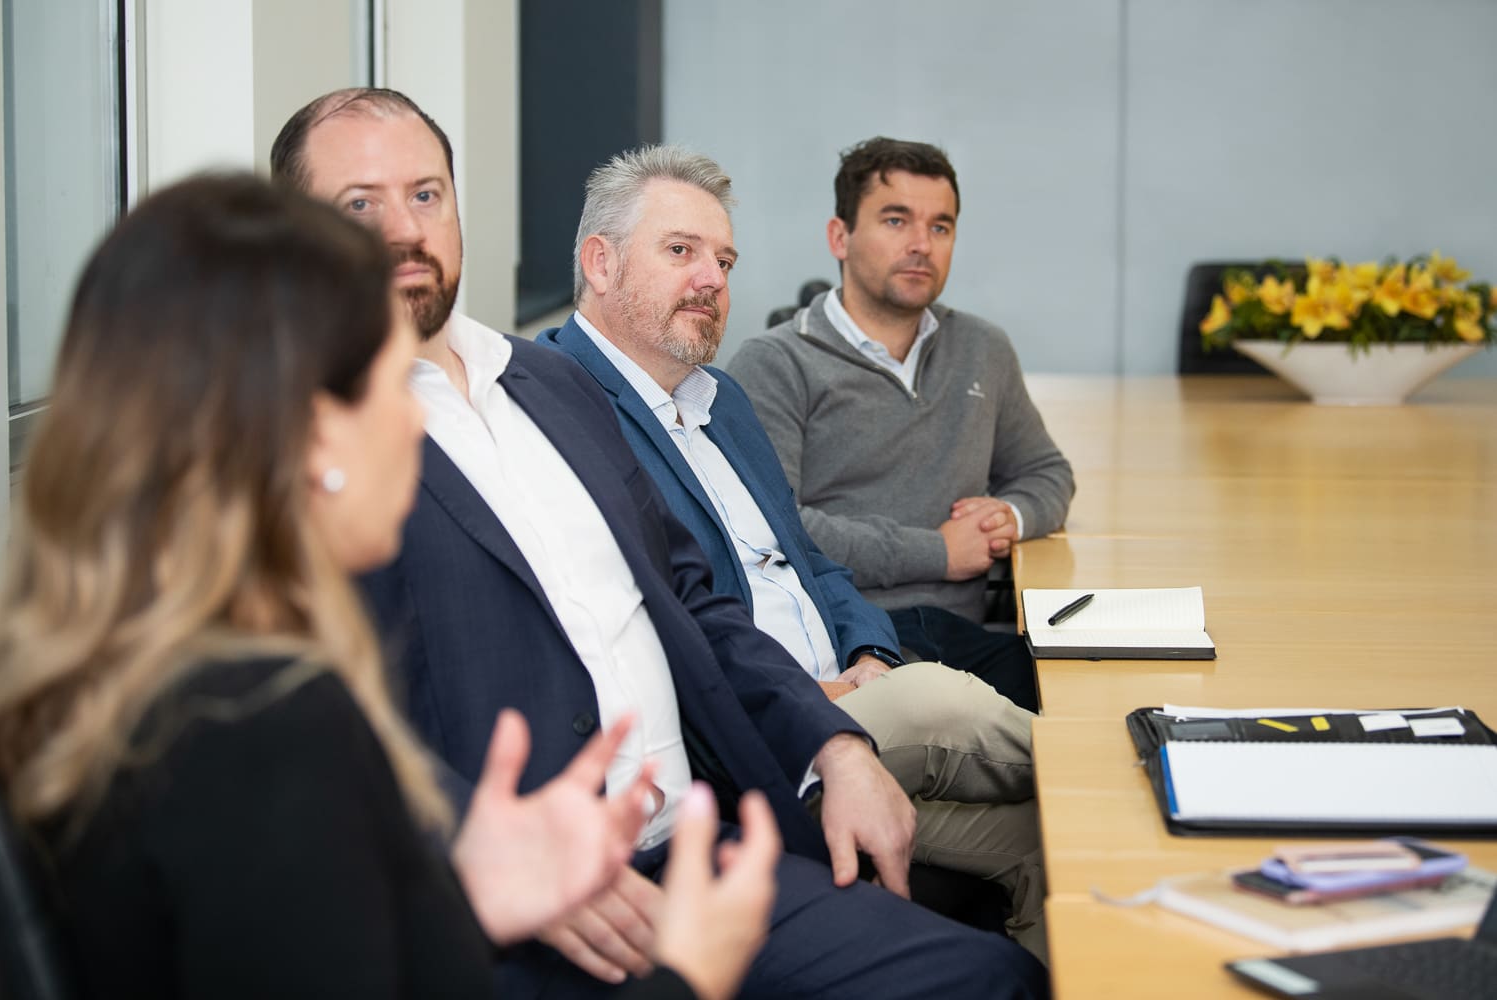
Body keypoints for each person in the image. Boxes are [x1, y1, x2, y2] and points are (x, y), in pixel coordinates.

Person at [271, 88, 1048, 1000]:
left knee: (989, 978)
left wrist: (834, 747)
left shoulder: (549, 386)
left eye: (426, 195)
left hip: (697, 843)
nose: (404, 228)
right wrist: (473, 856)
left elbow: (697, 601)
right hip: (525, 898)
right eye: (360, 205)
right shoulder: (293, 439)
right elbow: (299, 722)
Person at [0, 174, 778, 1000]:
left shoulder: (116, 681)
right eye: (387, 380)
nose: (413, 420)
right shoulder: (266, 729)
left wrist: (467, 896)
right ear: (302, 432)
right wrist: (692, 974)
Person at [539, 144, 1045, 956]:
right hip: (765, 734)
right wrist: (814, 692)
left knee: (1041, 840)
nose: (713, 279)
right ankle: (1161, 761)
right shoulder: (561, 404)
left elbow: (808, 560)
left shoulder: (720, 400)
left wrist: (870, 649)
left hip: (852, 687)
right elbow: (664, 628)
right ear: (599, 263)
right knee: (949, 707)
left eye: (725, 260)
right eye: (681, 251)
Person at [728, 137, 1075, 702]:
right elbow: (774, 529)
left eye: (941, 227)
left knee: (1093, 701)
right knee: (1036, 737)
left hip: (961, 636)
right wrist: (937, 552)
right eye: (896, 220)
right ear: (840, 237)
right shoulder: (776, 363)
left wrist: (1012, 514)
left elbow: (1046, 470)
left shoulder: (982, 348)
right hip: (851, 642)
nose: (921, 244)